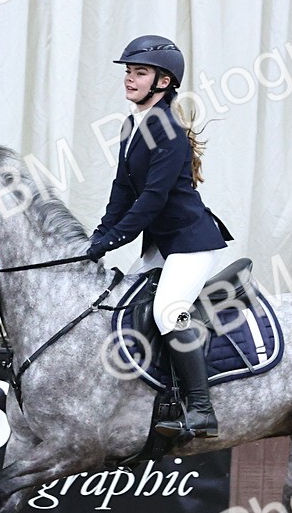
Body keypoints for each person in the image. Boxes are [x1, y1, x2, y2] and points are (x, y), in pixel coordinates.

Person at [86, 35, 233, 442]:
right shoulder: (131, 124)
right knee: (120, 306)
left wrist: (112, 240)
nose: (130, 80)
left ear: (164, 82)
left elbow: (152, 199)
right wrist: (97, 237)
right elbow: (122, 189)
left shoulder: (168, 128)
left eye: (140, 73)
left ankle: (201, 409)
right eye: (129, 72)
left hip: (190, 243)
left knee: (170, 313)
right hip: (160, 245)